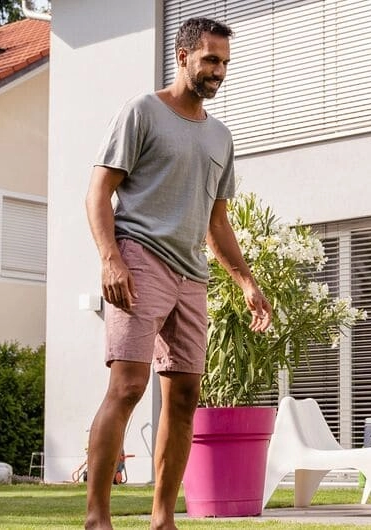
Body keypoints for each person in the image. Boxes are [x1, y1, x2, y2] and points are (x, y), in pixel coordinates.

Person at [81, 16, 271, 530]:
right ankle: (97, 518)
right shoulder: (142, 112)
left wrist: (246, 281)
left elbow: (217, 222)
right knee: (127, 386)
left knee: (184, 395)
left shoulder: (220, 137)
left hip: (193, 274)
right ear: (183, 55)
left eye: (226, 62)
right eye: (211, 59)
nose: (219, 71)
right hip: (139, 257)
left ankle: (162, 518)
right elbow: (98, 192)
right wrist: (110, 258)